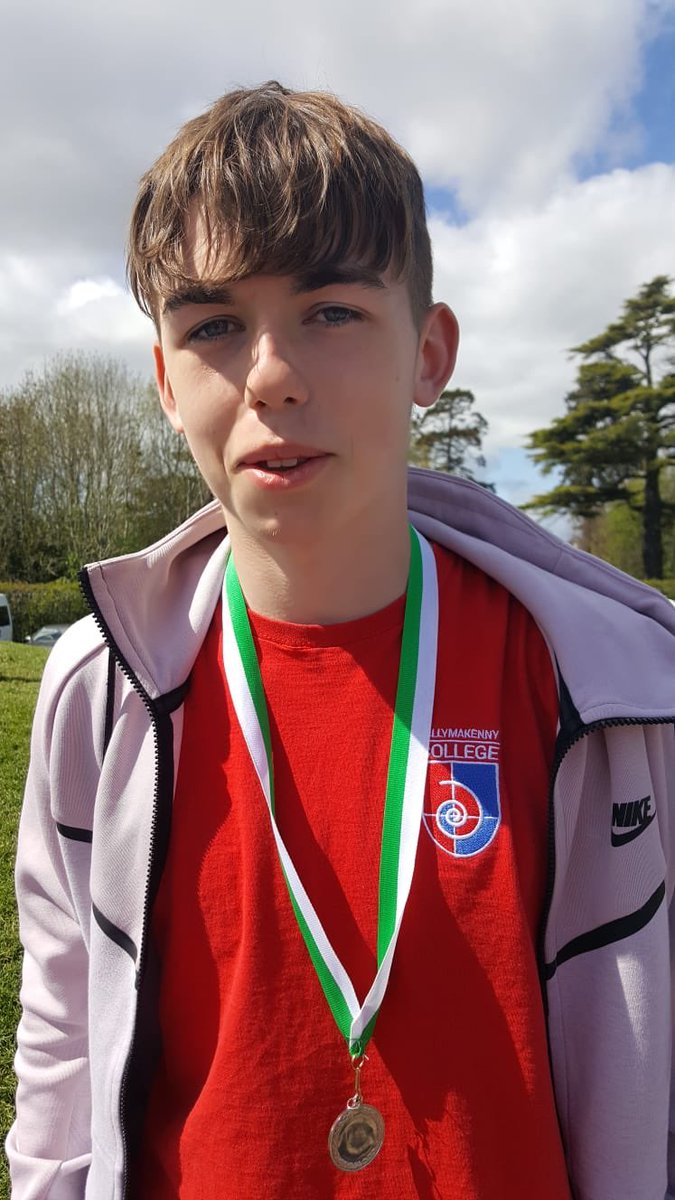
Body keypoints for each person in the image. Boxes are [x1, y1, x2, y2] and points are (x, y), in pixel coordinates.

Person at [7, 81, 675, 1200]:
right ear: (166, 381)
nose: (270, 375)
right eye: (213, 326)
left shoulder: (607, 692)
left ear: (429, 353)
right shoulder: (100, 690)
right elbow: (63, 1035)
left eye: (330, 311)